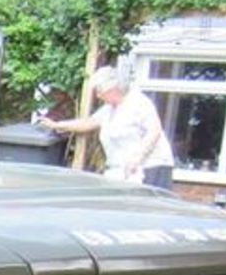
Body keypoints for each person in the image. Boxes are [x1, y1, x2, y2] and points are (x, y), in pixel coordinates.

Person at [37, 67, 175, 189]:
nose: (98, 96)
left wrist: (138, 157)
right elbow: (89, 122)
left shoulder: (139, 103)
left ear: (112, 89)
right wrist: (58, 125)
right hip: (123, 171)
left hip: (151, 168)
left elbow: (154, 130)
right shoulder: (110, 109)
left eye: (100, 91)